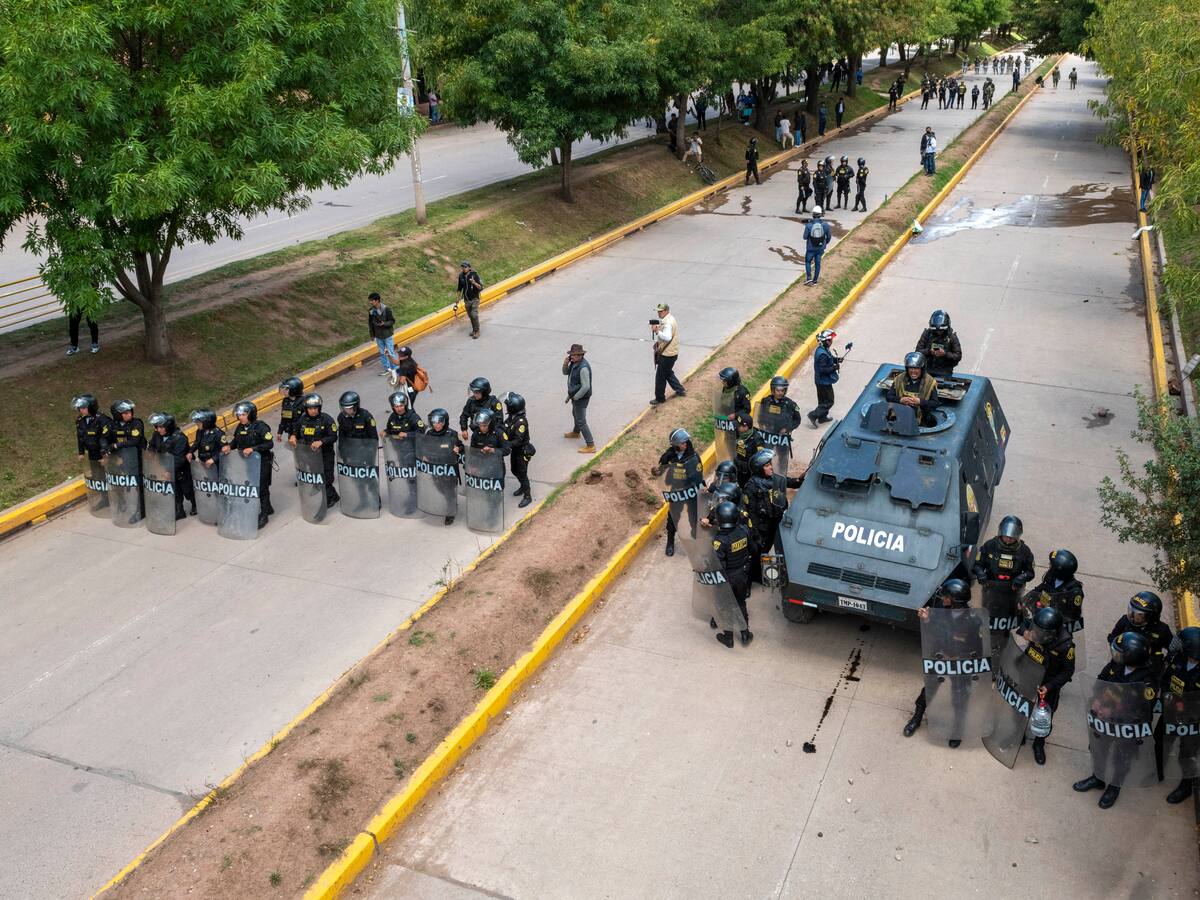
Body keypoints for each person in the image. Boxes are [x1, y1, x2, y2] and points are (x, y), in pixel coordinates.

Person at [1073, 632, 1158, 809]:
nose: (1115, 656)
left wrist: (1115, 710)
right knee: (1099, 750)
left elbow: (1143, 711)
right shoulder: (1116, 665)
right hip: (1105, 720)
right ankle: (1098, 778)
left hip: (1125, 727)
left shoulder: (1148, 680)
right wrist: (1096, 699)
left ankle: (1114, 786)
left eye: (1120, 653)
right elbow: (1101, 681)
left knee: (1122, 758)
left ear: (1133, 657)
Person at [903, 577, 976, 747]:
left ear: (955, 600)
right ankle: (917, 717)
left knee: (960, 697)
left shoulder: (973, 620)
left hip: (960, 663)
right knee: (928, 690)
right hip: (940, 658)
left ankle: (957, 729)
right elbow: (936, 633)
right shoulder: (940, 612)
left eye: (947, 597)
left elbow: (977, 648)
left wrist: (965, 659)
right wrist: (927, 620)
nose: (943, 599)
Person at [1015, 606, 1077, 765]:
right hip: (1029, 671)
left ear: (1052, 633)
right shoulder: (1038, 625)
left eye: (1041, 633)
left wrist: (1049, 686)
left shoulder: (1066, 646)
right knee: (1021, 704)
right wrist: (1026, 633)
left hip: (1049, 681)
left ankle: (1039, 743)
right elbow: (1022, 626)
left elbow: (1067, 672)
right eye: (1036, 630)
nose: (1037, 633)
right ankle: (1019, 733)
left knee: (1045, 715)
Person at [1161, 627, 1200, 804]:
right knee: (1161, 741)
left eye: (1182, 643)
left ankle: (1185, 787)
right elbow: (1166, 678)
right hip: (1170, 710)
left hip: (1191, 720)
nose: (1178, 645)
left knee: (1187, 753)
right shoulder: (1179, 658)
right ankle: (1157, 770)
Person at [743, 449, 803, 558]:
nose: (771, 467)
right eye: (767, 465)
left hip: (776, 520)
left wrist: (801, 479)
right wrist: (756, 535)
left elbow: (791, 483)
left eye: (770, 464)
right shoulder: (752, 487)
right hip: (763, 526)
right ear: (759, 468)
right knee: (761, 551)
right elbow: (750, 513)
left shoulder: (775, 479)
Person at [222, 400, 274, 528]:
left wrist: (253, 449)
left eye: (243, 415)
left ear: (251, 415)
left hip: (262, 461)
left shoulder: (261, 427)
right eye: (239, 415)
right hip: (247, 463)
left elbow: (269, 444)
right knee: (251, 486)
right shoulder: (240, 427)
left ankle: (264, 515)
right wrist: (229, 446)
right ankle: (267, 507)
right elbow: (236, 441)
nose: (240, 417)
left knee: (261, 487)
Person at [653, 428, 703, 557]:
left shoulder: (693, 455)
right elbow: (662, 473)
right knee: (673, 518)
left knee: (694, 517)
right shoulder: (668, 457)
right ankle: (670, 541)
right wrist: (658, 472)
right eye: (682, 442)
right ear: (675, 444)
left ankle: (696, 541)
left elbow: (698, 474)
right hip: (677, 492)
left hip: (691, 491)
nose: (685, 444)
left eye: (686, 441)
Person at [712, 501, 754, 648]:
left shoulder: (720, 540)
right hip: (742, 575)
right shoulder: (743, 531)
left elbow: (718, 565)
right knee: (741, 603)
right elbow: (753, 549)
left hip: (727, 579)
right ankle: (744, 634)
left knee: (726, 607)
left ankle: (728, 638)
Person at [971, 514, 1036, 609]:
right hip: (990, 589)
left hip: (1012, 591)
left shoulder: (1024, 551)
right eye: (1006, 536)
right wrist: (980, 573)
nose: (1008, 541)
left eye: (1012, 538)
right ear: (1001, 533)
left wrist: (1021, 578)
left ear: (1018, 536)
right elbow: (977, 565)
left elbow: (1030, 572)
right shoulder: (989, 545)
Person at [1107, 591, 1174, 676]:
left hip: (1147, 669)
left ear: (1152, 616)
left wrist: (1164, 662)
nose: (1134, 616)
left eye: (1140, 615)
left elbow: (1172, 649)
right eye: (1133, 611)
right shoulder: (1125, 621)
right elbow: (1113, 637)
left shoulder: (1162, 630)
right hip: (1123, 661)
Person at [1022, 549, 1085, 637]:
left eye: (1051, 565)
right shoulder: (1051, 577)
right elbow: (1041, 589)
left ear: (1058, 571)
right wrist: (1025, 600)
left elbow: (1073, 616)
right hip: (1041, 619)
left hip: (1055, 629)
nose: (1049, 565)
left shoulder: (1074, 592)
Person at [294, 393, 340, 507]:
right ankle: (319, 488)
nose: (313, 411)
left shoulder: (326, 419)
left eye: (315, 408)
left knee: (326, 476)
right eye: (310, 408)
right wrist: (293, 436)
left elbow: (334, 436)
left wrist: (321, 442)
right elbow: (296, 430)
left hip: (325, 453)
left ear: (319, 408)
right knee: (315, 474)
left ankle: (332, 496)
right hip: (310, 454)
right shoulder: (303, 419)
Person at [148, 412, 197, 519]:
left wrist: (168, 471)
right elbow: (151, 445)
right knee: (175, 491)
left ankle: (195, 504)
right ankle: (180, 511)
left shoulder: (179, 438)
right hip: (165, 468)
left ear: (168, 426)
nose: (159, 430)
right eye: (157, 427)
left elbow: (179, 459)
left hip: (181, 469)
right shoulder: (157, 435)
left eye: (161, 427)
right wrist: (151, 452)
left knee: (187, 490)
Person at [425, 409, 464, 526]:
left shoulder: (451, 433)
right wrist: (424, 455)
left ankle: (450, 512)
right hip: (436, 468)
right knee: (440, 489)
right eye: (434, 422)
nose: (437, 425)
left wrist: (458, 449)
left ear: (444, 422)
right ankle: (450, 502)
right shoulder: (429, 434)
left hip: (449, 468)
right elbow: (424, 446)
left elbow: (461, 446)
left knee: (449, 491)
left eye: (439, 422)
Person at [886, 351, 940, 426]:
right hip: (900, 418)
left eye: (916, 368)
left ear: (922, 369)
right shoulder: (899, 379)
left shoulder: (930, 382)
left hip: (921, 420)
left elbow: (935, 403)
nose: (913, 371)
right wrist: (900, 400)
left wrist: (920, 402)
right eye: (911, 368)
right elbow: (889, 397)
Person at [563, 343, 596, 453]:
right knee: (574, 413)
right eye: (571, 354)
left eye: (574, 355)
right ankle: (576, 432)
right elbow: (565, 373)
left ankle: (590, 445)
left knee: (581, 420)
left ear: (581, 355)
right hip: (575, 395)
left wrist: (576, 397)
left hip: (581, 397)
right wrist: (565, 364)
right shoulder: (574, 363)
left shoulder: (583, 368)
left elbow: (586, 386)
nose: (572, 356)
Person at [650, 302, 685, 406]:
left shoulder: (668, 323)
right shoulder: (670, 319)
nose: (659, 313)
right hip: (672, 353)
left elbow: (668, 337)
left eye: (660, 311)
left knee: (660, 376)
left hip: (667, 354)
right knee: (668, 373)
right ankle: (680, 389)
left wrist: (657, 331)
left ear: (666, 311)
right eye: (658, 311)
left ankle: (660, 398)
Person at [503, 392, 534, 507]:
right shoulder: (512, 417)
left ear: (513, 407)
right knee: (514, 470)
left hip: (522, 451)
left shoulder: (521, 422)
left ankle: (527, 495)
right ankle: (522, 486)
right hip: (515, 451)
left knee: (522, 472)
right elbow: (504, 426)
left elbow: (518, 440)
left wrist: (507, 444)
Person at [914, 309, 963, 377]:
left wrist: (945, 354)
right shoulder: (927, 334)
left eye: (941, 330)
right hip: (927, 369)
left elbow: (958, 356)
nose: (939, 332)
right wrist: (929, 351)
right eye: (936, 330)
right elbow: (917, 352)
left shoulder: (952, 337)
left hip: (944, 371)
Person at [807, 329, 840, 424]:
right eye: (830, 340)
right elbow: (823, 370)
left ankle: (822, 417)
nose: (831, 342)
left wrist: (836, 360)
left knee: (822, 401)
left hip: (820, 381)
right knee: (829, 401)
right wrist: (834, 368)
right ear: (826, 341)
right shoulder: (822, 355)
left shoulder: (822, 349)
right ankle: (813, 415)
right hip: (823, 382)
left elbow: (829, 358)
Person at [386, 344, 427, 409]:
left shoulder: (404, 367)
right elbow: (397, 363)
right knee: (410, 405)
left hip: (408, 391)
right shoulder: (410, 360)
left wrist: (394, 376)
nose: (399, 356)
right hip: (414, 389)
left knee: (408, 408)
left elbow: (402, 381)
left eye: (401, 355)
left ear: (406, 356)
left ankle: (414, 418)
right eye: (399, 354)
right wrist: (388, 355)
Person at [74, 394, 112, 462]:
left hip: (105, 451)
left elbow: (107, 437)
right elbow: (80, 436)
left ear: (91, 407)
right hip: (92, 451)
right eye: (80, 408)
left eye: (84, 408)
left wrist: (105, 455)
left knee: (109, 471)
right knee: (96, 471)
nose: (81, 410)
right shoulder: (80, 420)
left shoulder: (102, 419)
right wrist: (81, 452)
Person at [368, 292, 397, 376]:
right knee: (382, 352)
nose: (371, 302)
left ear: (377, 300)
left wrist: (384, 324)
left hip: (387, 335)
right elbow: (370, 323)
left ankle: (394, 368)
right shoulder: (371, 311)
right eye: (370, 301)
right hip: (378, 335)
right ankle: (387, 368)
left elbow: (392, 321)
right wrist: (372, 335)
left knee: (390, 352)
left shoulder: (386, 309)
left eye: (372, 300)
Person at [733, 413, 764, 488]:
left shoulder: (757, 440)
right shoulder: (740, 433)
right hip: (739, 469)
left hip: (750, 475)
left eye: (739, 426)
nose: (737, 427)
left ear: (746, 427)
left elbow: (759, 461)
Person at [455, 261, 484, 339]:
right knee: (470, 315)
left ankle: (477, 331)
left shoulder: (474, 275)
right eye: (462, 267)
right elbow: (459, 288)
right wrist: (457, 298)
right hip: (466, 300)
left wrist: (474, 282)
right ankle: (474, 330)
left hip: (475, 298)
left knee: (474, 314)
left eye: (465, 267)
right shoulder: (461, 276)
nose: (463, 268)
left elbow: (481, 287)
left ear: (469, 268)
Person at [803, 206, 831, 286]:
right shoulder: (825, 225)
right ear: (821, 215)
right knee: (817, 263)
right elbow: (829, 236)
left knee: (808, 261)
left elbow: (804, 237)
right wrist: (825, 243)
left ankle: (809, 279)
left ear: (813, 215)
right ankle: (815, 280)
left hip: (810, 248)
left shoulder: (809, 225)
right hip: (820, 248)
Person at [278, 375, 305, 441]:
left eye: (286, 389)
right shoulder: (286, 401)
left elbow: (304, 421)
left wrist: (295, 434)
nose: (284, 391)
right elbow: (284, 417)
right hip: (291, 433)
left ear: (293, 390)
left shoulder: (304, 401)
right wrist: (280, 432)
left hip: (302, 434)